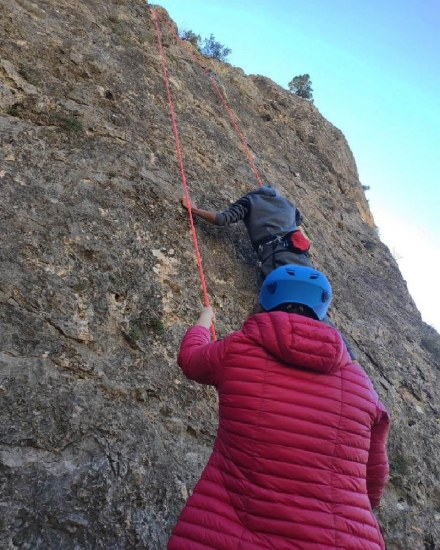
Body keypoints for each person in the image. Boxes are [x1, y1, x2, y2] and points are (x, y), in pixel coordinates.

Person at [168, 265, 390, 550]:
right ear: (323, 312)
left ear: (263, 303)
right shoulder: (361, 383)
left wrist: (203, 321)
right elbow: (375, 477)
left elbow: (191, 360)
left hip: (225, 529)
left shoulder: (237, 350)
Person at [180, 185, 357, 360]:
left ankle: (259, 354)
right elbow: (298, 224)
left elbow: (222, 219)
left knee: (279, 304)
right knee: (314, 308)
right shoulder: (287, 203)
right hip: (303, 259)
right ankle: (349, 357)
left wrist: (193, 209)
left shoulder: (250, 200)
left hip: (278, 259)